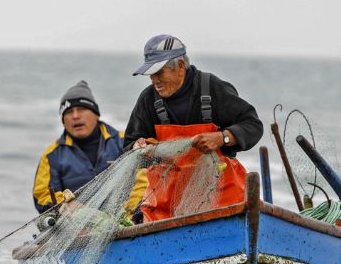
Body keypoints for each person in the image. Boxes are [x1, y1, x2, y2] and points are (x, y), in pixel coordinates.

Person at [124, 34, 263, 221]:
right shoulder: (148, 99)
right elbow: (129, 145)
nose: (154, 80)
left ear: (180, 66)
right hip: (167, 205)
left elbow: (252, 125)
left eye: (159, 72)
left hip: (222, 199)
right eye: (151, 74)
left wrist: (223, 137)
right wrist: (137, 147)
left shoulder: (212, 88)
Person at [32, 80, 124, 213]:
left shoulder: (124, 141)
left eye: (81, 109)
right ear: (63, 121)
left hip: (125, 219)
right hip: (73, 225)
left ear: (96, 114)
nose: (75, 116)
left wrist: (130, 212)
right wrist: (67, 204)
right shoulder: (52, 155)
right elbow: (42, 195)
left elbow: (143, 181)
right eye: (68, 112)